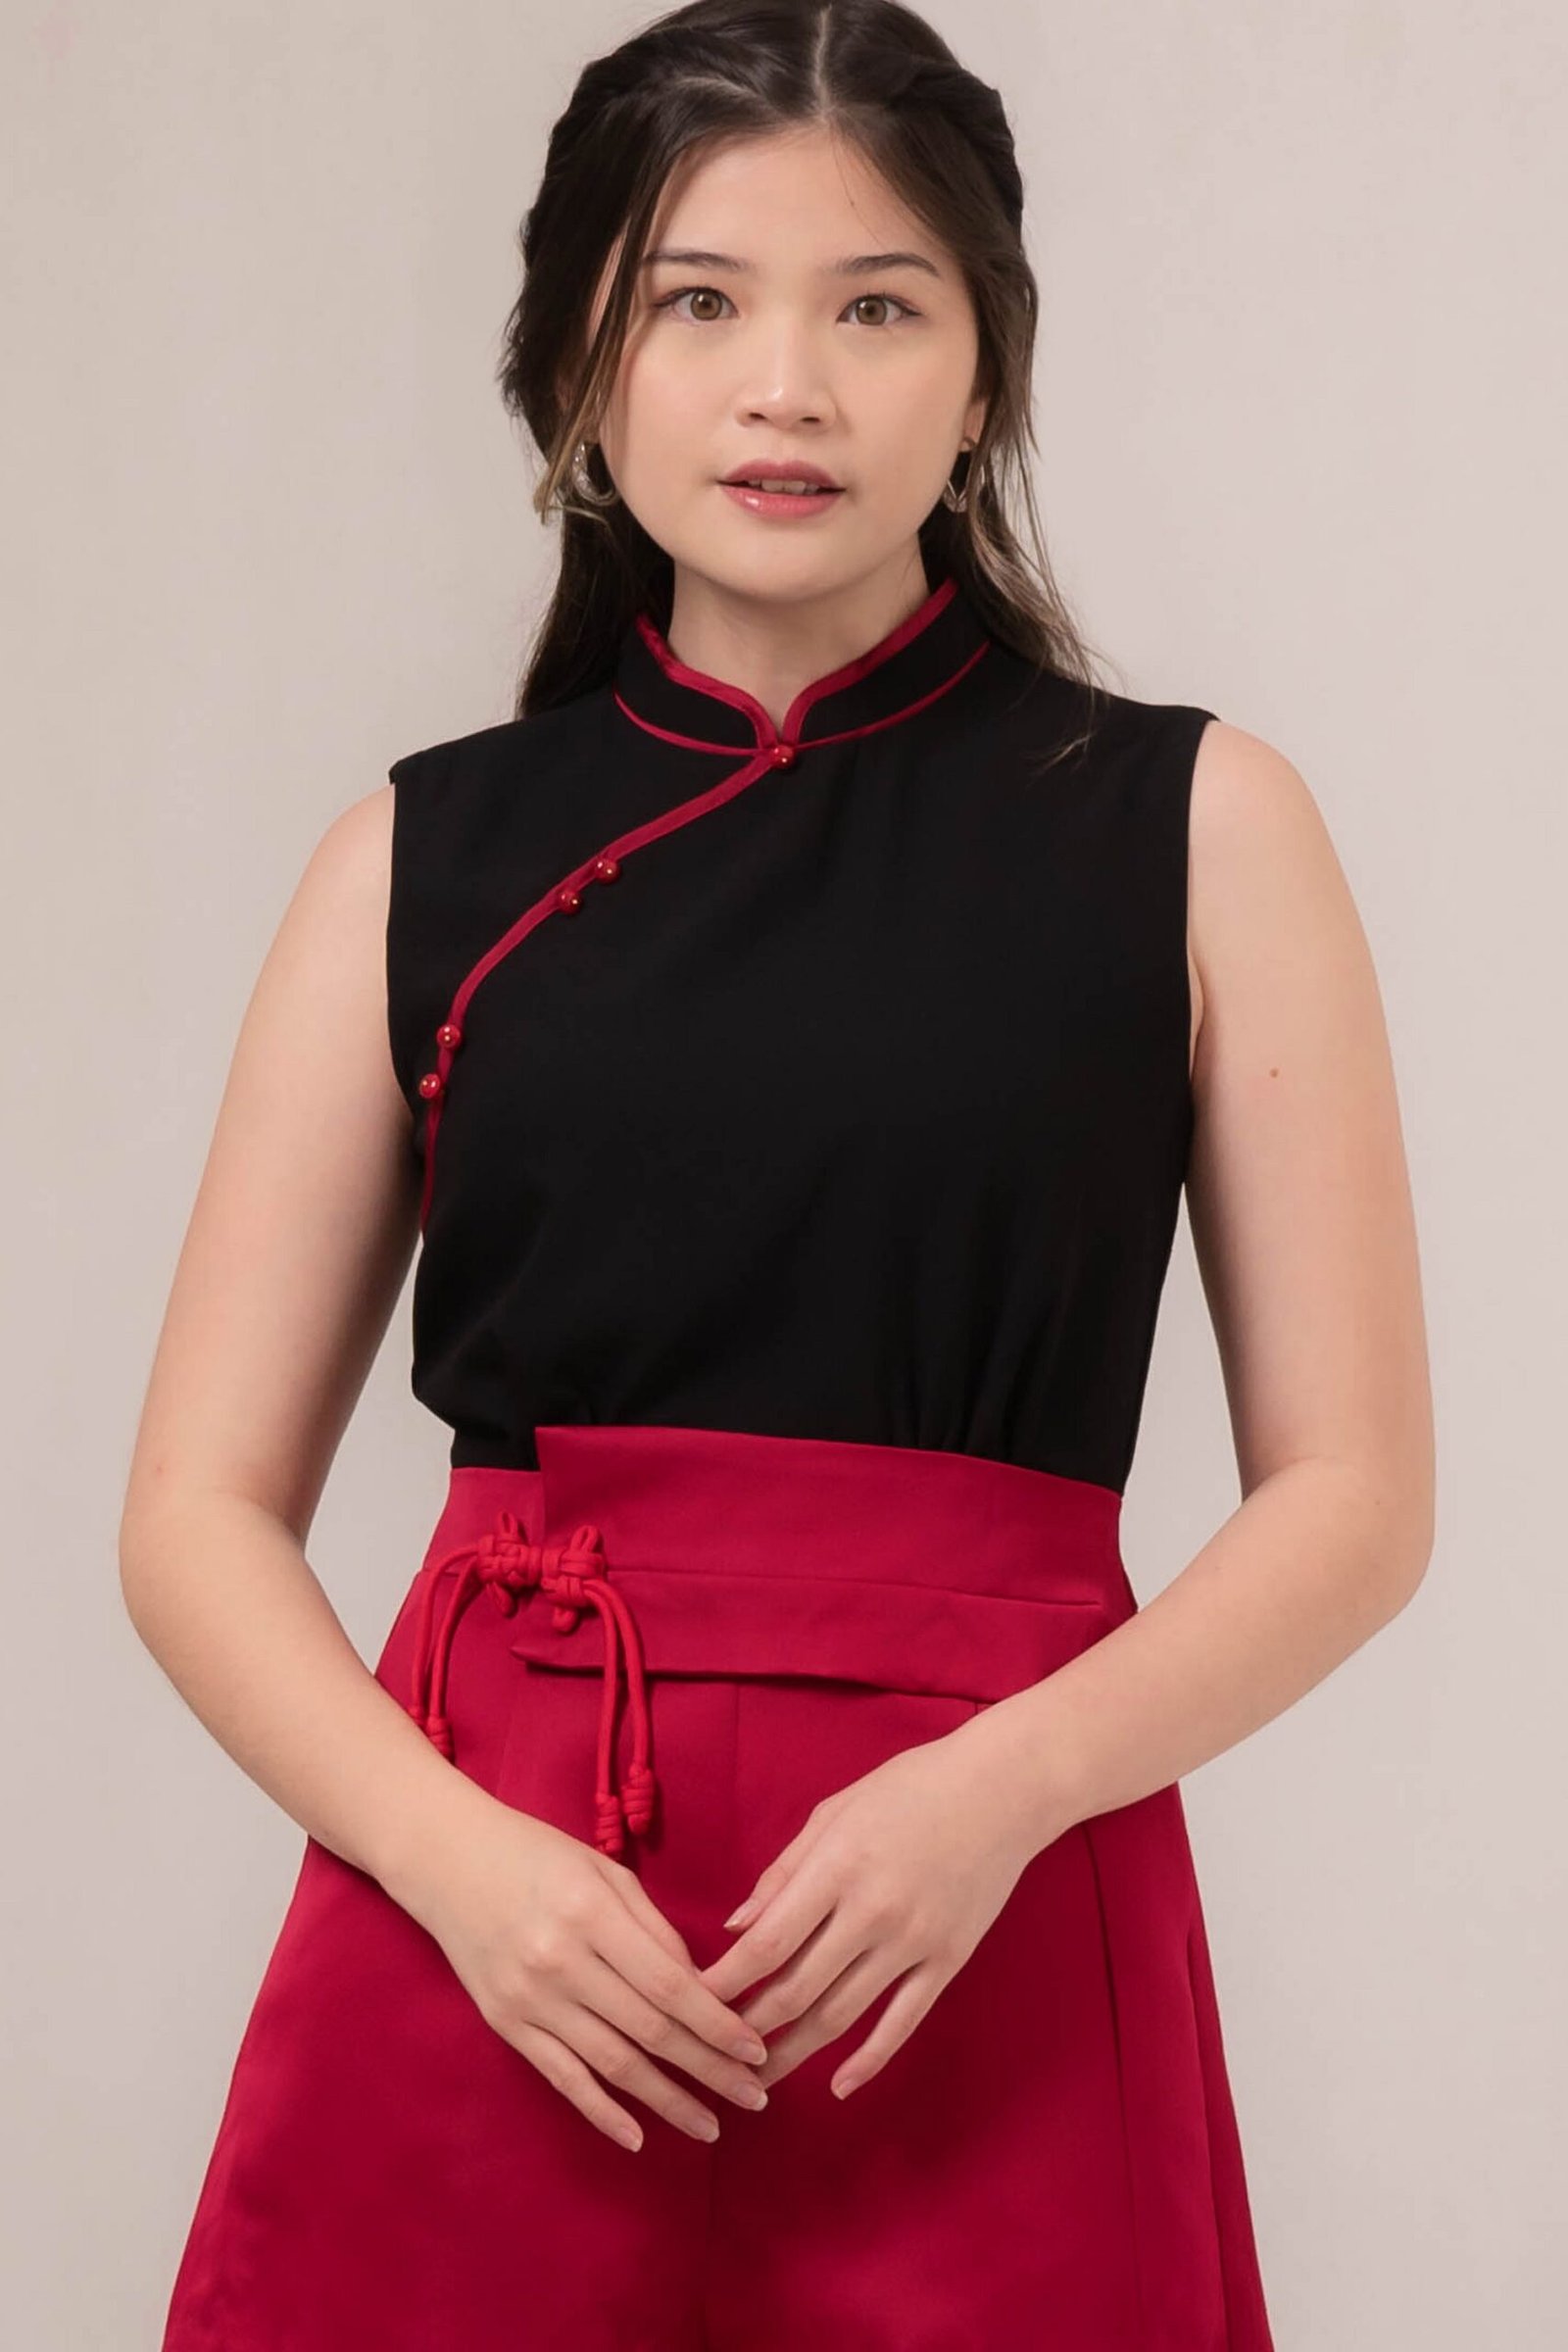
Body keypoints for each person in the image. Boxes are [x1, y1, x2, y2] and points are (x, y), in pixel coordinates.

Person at [125, 3, 1435, 2345]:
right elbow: (195, 1517)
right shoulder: (413, 860)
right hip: (513, 1935)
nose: (787, 387)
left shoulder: (1199, 830)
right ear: (575, 372)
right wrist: (463, 1872)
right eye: (697, 303)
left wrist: (1001, 1792)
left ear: (985, 369)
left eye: (877, 308)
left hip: (981, 1916)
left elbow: (1351, 1496)